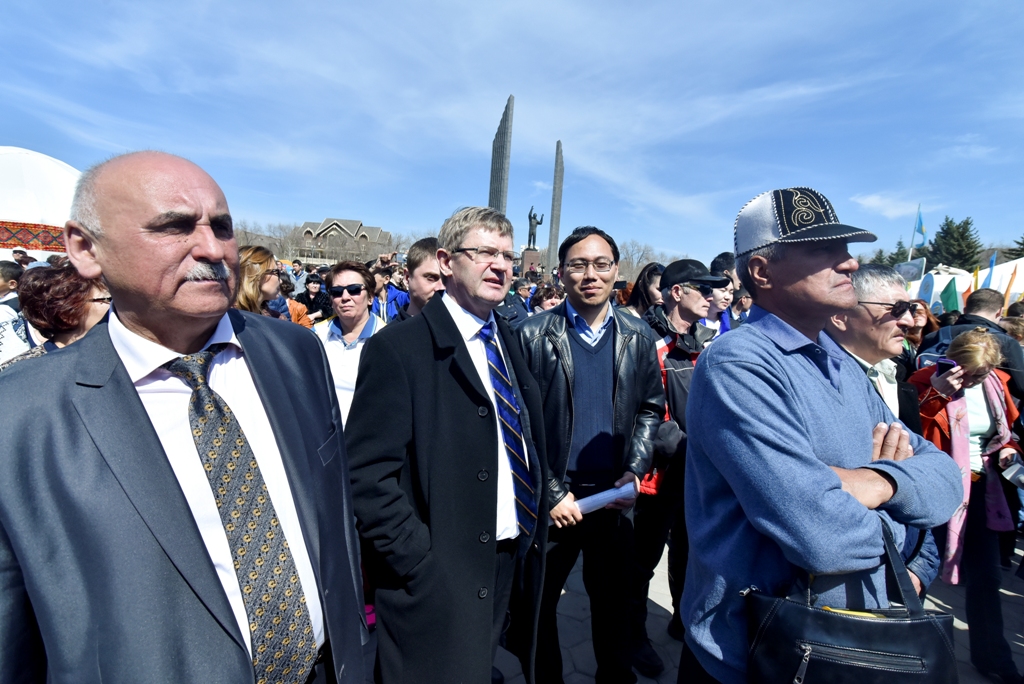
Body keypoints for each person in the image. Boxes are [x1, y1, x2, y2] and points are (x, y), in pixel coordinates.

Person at [0, 151, 366, 683]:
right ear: (86, 249)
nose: (213, 249)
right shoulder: (20, 415)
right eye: (174, 227)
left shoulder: (295, 351)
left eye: (222, 226)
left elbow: (334, 518)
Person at [680, 187, 962, 684]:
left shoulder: (840, 361)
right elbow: (823, 539)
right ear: (762, 271)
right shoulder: (739, 362)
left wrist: (876, 482)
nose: (850, 263)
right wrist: (904, 516)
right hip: (761, 653)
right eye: (823, 250)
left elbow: (946, 480)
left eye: (846, 249)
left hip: (850, 639)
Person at [345, 207, 548, 683]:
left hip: (505, 556)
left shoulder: (507, 339)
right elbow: (366, 475)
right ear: (446, 261)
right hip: (438, 574)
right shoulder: (399, 347)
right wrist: (419, 562)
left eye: (507, 256)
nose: (499, 265)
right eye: (484, 253)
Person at [517, 226, 664, 684]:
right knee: (537, 609)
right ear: (561, 273)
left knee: (614, 610)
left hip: (613, 498)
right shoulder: (532, 334)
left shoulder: (637, 335)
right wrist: (551, 490)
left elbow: (650, 408)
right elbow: (518, 422)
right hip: (553, 502)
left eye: (601, 265)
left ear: (616, 271)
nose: (590, 275)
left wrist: (635, 469)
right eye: (578, 265)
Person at [909, 329, 1023, 684]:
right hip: (935, 486)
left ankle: (994, 658)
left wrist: (1009, 451)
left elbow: (1007, 433)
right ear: (952, 361)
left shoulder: (997, 384)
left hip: (981, 490)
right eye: (969, 373)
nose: (973, 381)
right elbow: (909, 433)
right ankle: (906, 652)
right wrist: (935, 395)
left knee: (986, 577)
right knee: (919, 572)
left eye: (981, 374)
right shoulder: (923, 381)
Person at [631, 259, 726, 667]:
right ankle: (632, 637)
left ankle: (682, 622)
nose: (711, 296)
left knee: (690, 553)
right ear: (676, 292)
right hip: (659, 474)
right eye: (702, 288)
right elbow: (647, 411)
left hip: (699, 473)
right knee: (641, 560)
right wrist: (691, 449)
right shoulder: (645, 340)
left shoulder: (709, 343)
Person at [823, 263, 940, 593]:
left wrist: (920, 566)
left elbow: (931, 474)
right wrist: (885, 480)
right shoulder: (816, 385)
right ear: (841, 315)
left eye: (911, 308)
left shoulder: (893, 380)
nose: (909, 320)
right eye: (897, 309)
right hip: (848, 579)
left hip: (898, 568)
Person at [0, 264, 111, 371]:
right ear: (67, 314)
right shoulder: (21, 373)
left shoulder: (111, 355)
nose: (114, 306)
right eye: (107, 299)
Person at [314, 261, 385, 424]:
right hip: (323, 432)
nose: (345, 297)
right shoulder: (316, 336)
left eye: (354, 290)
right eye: (337, 292)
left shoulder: (387, 339)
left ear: (370, 297)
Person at [919, 288, 1024, 399]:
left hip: (928, 401)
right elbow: (1020, 387)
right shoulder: (1005, 341)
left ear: (965, 309)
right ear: (1000, 312)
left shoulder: (935, 335)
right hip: (981, 404)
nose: (967, 381)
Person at [393, 237, 444, 321]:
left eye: (446, 280)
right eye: (431, 278)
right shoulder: (391, 330)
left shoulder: (459, 327)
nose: (441, 287)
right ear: (407, 278)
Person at [234, 245, 289, 320]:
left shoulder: (278, 320)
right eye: (276, 272)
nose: (281, 281)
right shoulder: (224, 319)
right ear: (256, 274)